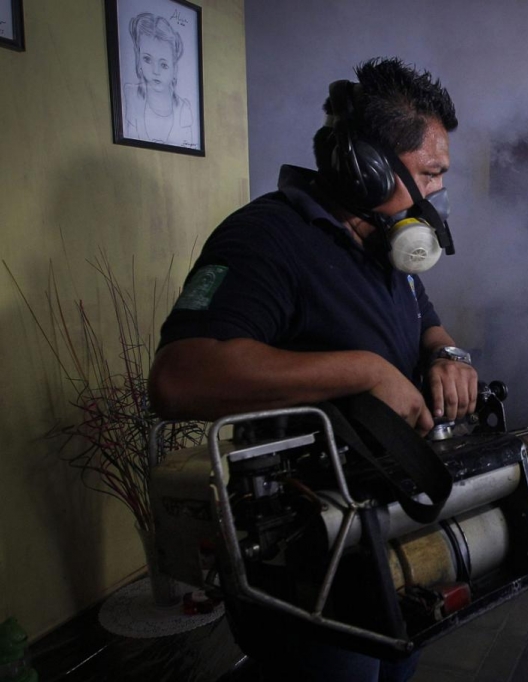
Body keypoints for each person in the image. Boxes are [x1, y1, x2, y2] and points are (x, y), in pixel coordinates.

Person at [149, 57, 478, 682]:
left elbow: (425, 320)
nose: (437, 190)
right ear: (368, 166)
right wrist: (363, 370)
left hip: (387, 528)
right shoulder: (264, 239)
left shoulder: (386, 243)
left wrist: (446, 354)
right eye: (431, 173)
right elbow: (179, 376)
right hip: (306, 550)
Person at [122, 12, 195, 147]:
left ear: (174, 69)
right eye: (147, 59)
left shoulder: (183, 110)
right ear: (138, 59)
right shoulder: (130, 96)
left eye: (163, 65)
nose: (155, 71)